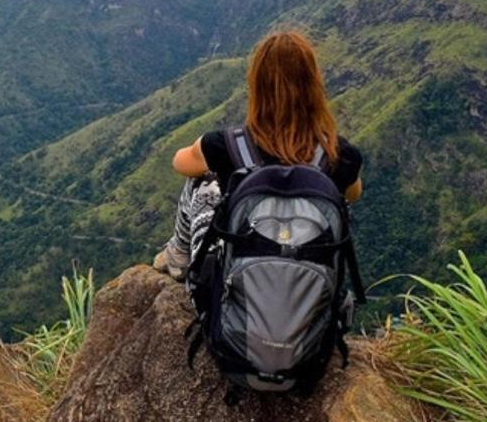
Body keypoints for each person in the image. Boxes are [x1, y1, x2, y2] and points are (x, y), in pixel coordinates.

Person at [153, 30, 363, 280]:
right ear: (314, 86)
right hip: (309, 290)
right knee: (337, 198)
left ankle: (178, 253)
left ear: (257, 85)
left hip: (238, 287)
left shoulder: (227, 146)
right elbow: (353, 194)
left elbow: (179, 162)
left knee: (202, 180)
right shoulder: (339, 155)